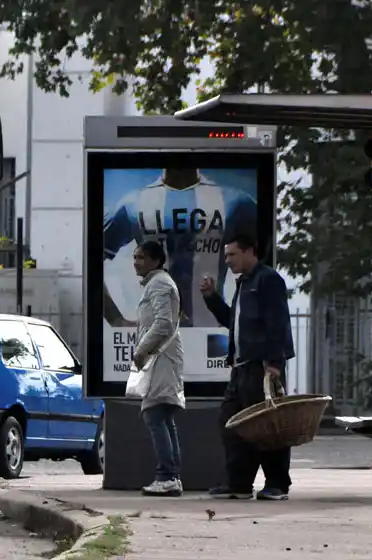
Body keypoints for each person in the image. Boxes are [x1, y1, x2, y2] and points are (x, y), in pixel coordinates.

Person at [102, 168, 256, 336]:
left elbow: (264, 270)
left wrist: (248, 323)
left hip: (213, 336)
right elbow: (91, 260)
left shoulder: (235, 202)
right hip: (156, 337)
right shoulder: (133, 204)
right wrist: (116, 319)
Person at [200, 232, 295, 501]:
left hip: (261, 367)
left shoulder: (268, 280)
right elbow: (235, 322)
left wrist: (275, 364)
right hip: (240, 368)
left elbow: (278, 323)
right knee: (231, 424)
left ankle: (277, 484)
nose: (227, 260)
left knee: (269, 428)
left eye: (232, 254)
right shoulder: (244, 284)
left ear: (250, 251)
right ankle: (238, 483)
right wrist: (211, 298)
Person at [132, 240, 185, 497]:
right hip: (161, 357)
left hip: (161, 358)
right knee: (161, 415)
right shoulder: (155, 284)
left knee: (154, 414)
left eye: (141, 257)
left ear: (155, 261)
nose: (135, 262)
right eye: (135, 257)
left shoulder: (160, 284)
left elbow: (163, 323)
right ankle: (171, 475)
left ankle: (167, 476)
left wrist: (141, 350)